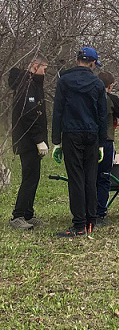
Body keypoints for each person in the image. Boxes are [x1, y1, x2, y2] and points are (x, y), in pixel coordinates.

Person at [52, 46, 107, 237]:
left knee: (76, 178)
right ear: (92, 63)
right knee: (90, 177)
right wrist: (101, 143)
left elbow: (58, 111)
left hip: (71, 133)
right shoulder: (98, 84)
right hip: (91, 134)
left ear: (77, 60)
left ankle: (79, 224)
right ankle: (91, 220)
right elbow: (102, 116)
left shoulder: (64, 81)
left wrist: (56, 141)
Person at [8, 53, 49, 230]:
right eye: (44, 69)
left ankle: (27, 214)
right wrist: (39, 140)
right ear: (35, 66)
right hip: (28, 141)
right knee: (29, 178)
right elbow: (29, 115)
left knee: (34, 177)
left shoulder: (34, 85)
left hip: (32, 141)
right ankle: (18, 215)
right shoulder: (26, 86)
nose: (45, 73)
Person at [96, 71, 119, 226]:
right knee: (103, 178)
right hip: (106, 142)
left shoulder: (87, 97)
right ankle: (99, 214)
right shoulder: (111, 99)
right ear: (110, 86)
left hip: (87, 142)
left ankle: (86, 212)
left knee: (89, 178)